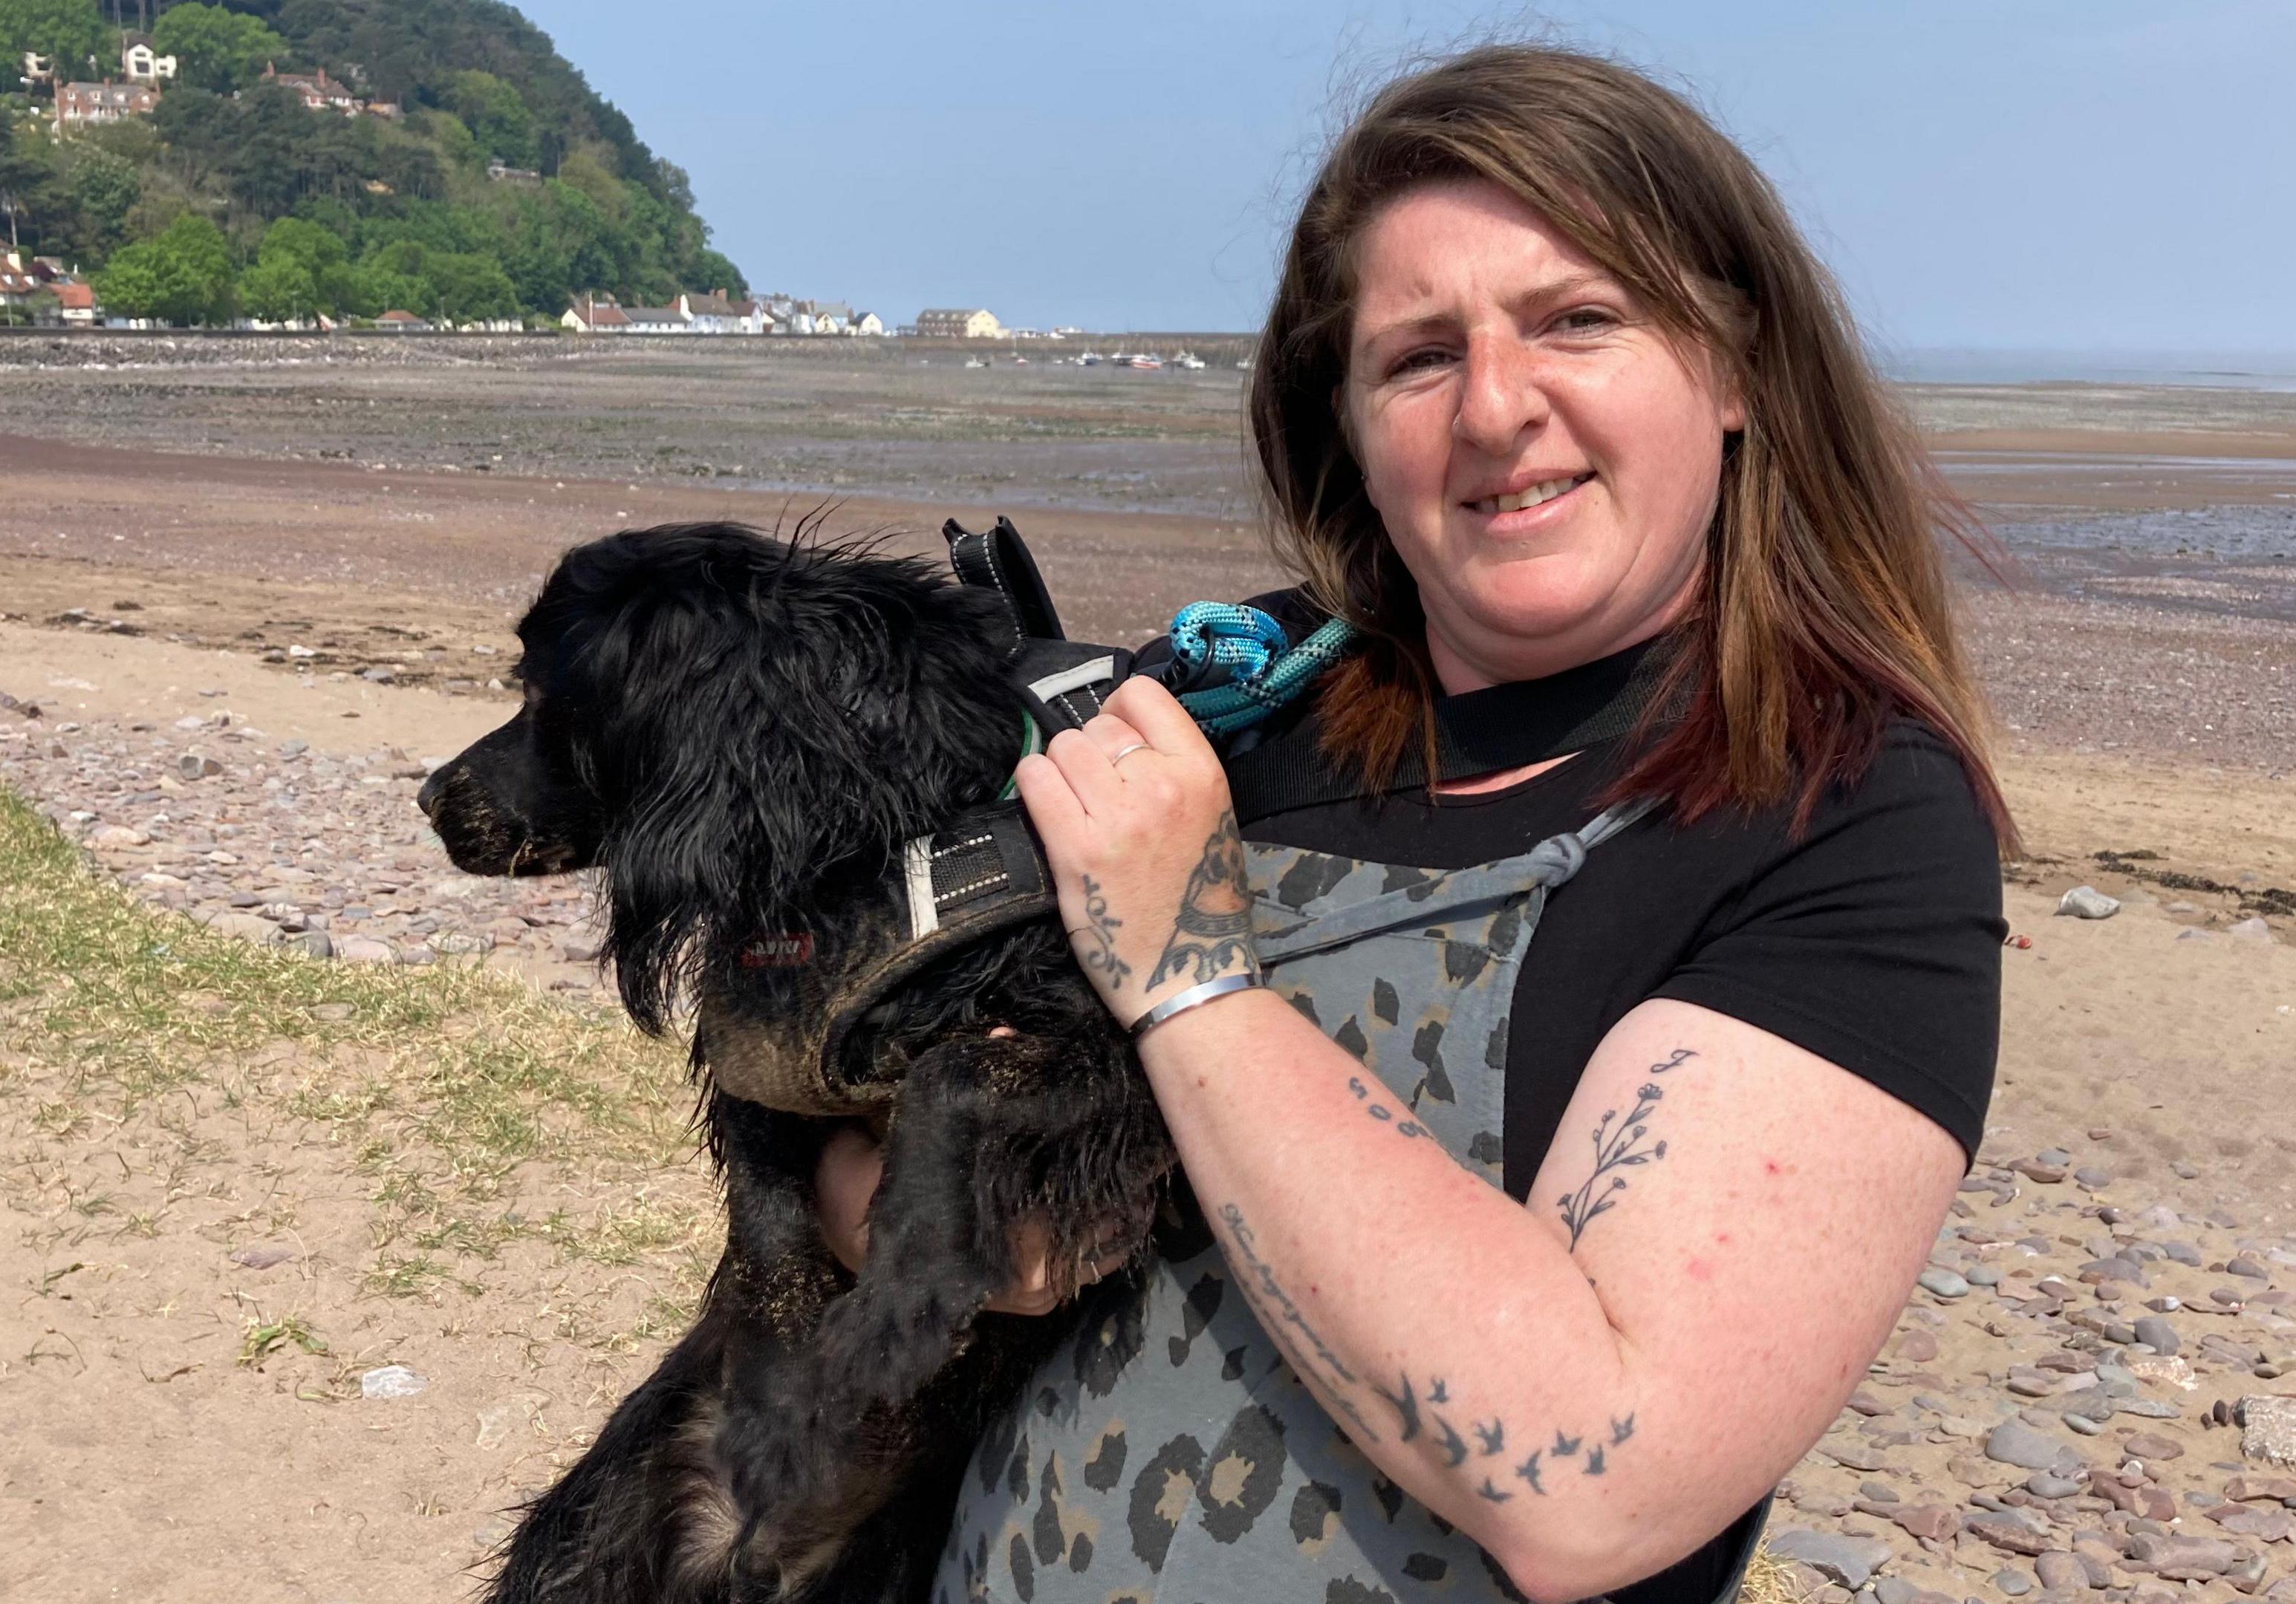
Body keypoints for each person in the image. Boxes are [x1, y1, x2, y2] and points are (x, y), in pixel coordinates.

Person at [816, 43, 2013, 1604]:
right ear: (1351, 430)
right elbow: (813, 1082)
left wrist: (1187, 973)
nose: (1497, 409)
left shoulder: (1847, 822)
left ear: (1733, 370)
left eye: (1579, 319)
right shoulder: (1222, 711)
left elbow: (1593, 1478)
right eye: (1418, 357)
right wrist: (932, 1229)